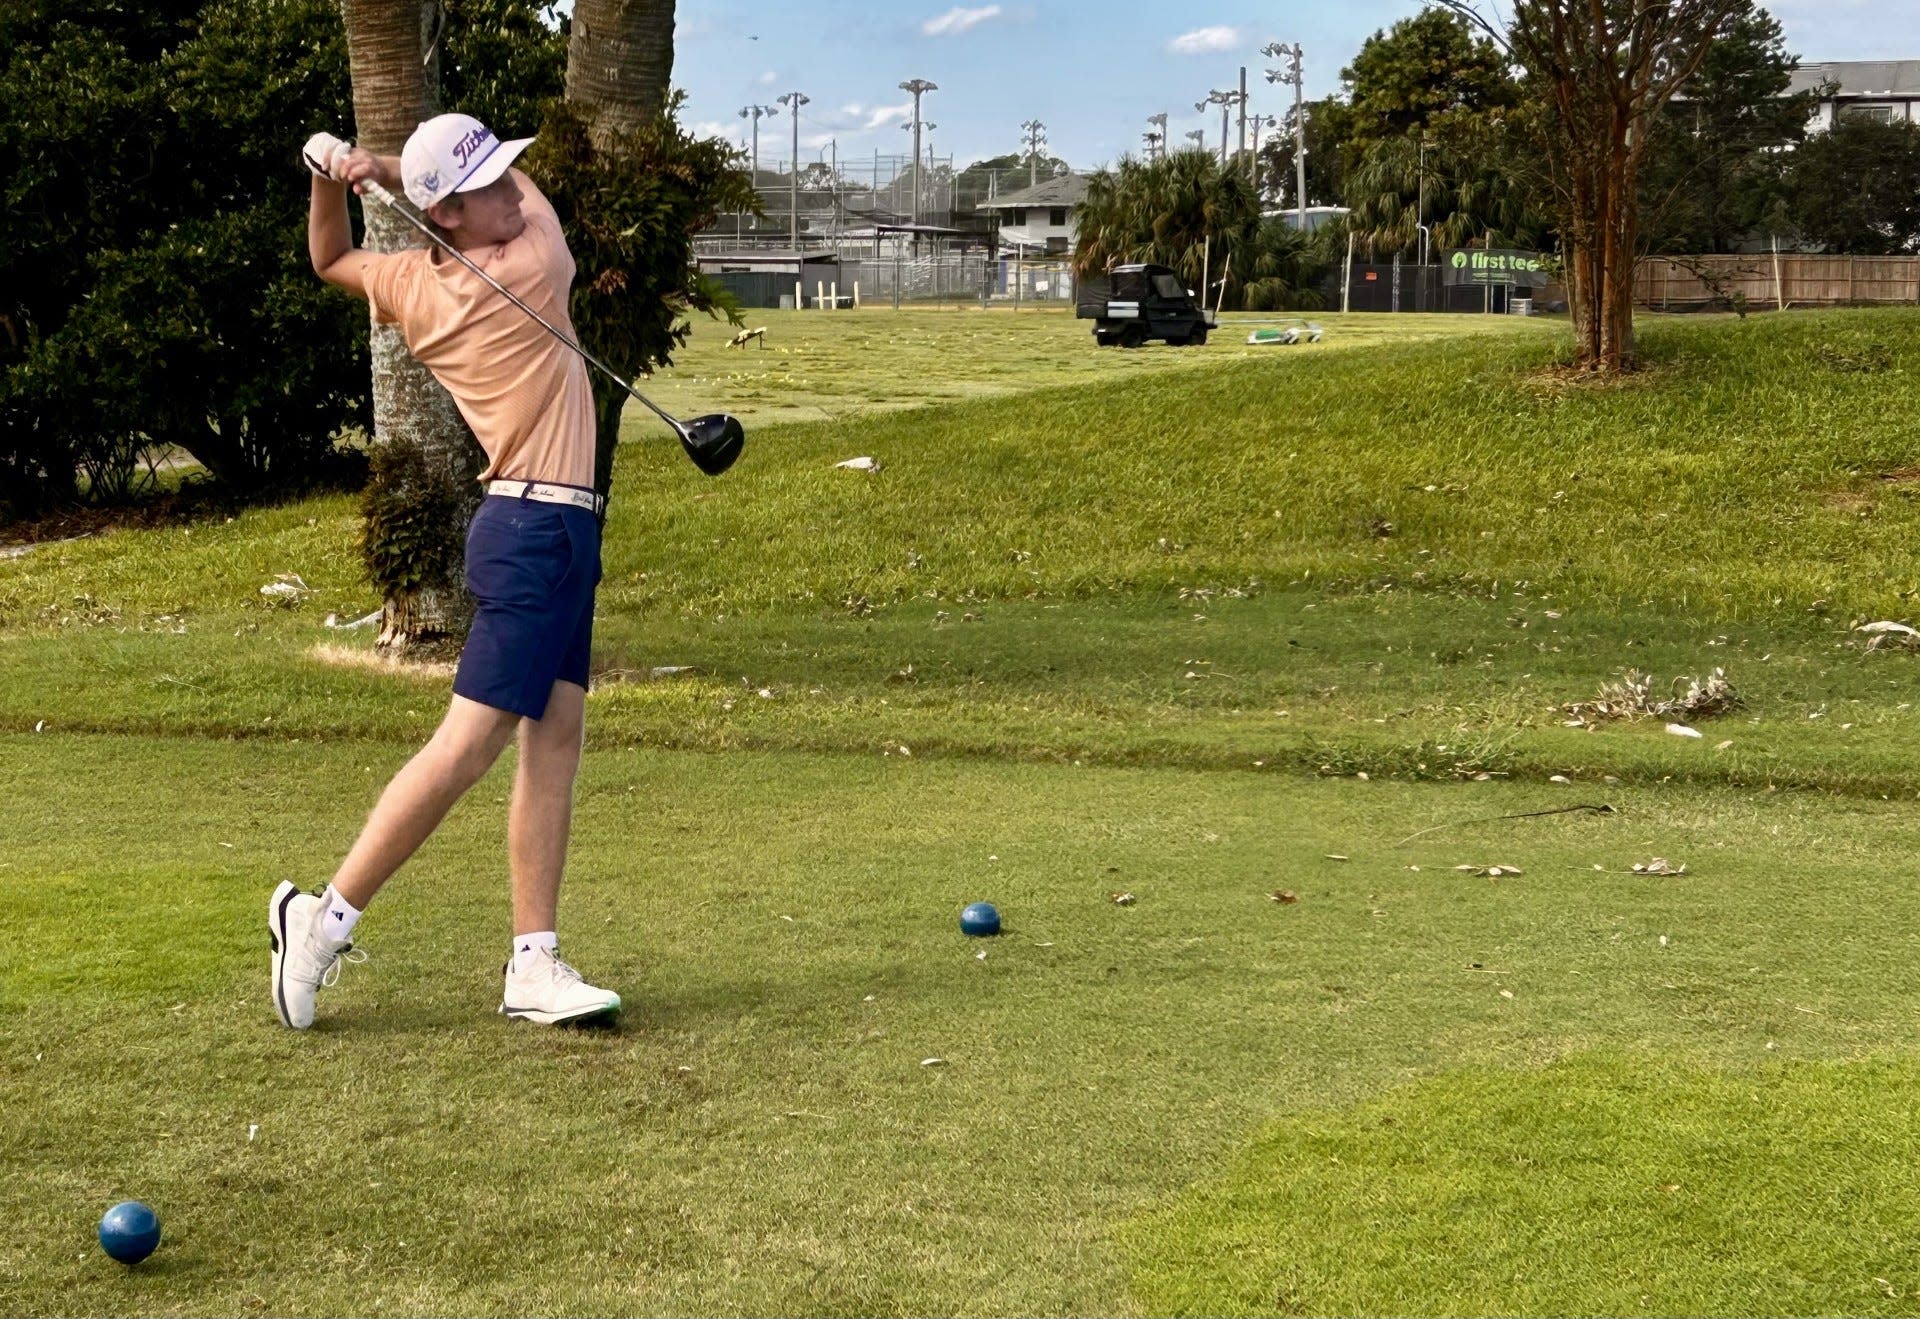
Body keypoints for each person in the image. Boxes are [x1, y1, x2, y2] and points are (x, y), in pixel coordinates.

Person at [271, 112, 619, 1029]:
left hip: (550, 531)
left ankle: (532, 963)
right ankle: (320, 921)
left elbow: (329, 260)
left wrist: (331, 178)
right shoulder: (533, 263)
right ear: (455, 213)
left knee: (556, 739)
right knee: (469, 745)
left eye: (510, 177)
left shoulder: (414, 287)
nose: (515, 190)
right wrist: (390, 167)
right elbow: (540, 213)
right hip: (536, 532)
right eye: (493, 185)